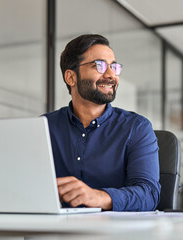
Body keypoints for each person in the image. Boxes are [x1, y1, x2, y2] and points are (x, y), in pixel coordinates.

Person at [44, 34, 161, 211]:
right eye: (99, 66)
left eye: (114, 66)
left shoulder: (137, 128)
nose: (110, 75)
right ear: (71, 78)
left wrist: (98, 197)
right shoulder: (45, 127)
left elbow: (149, 194)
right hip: (53, 231)